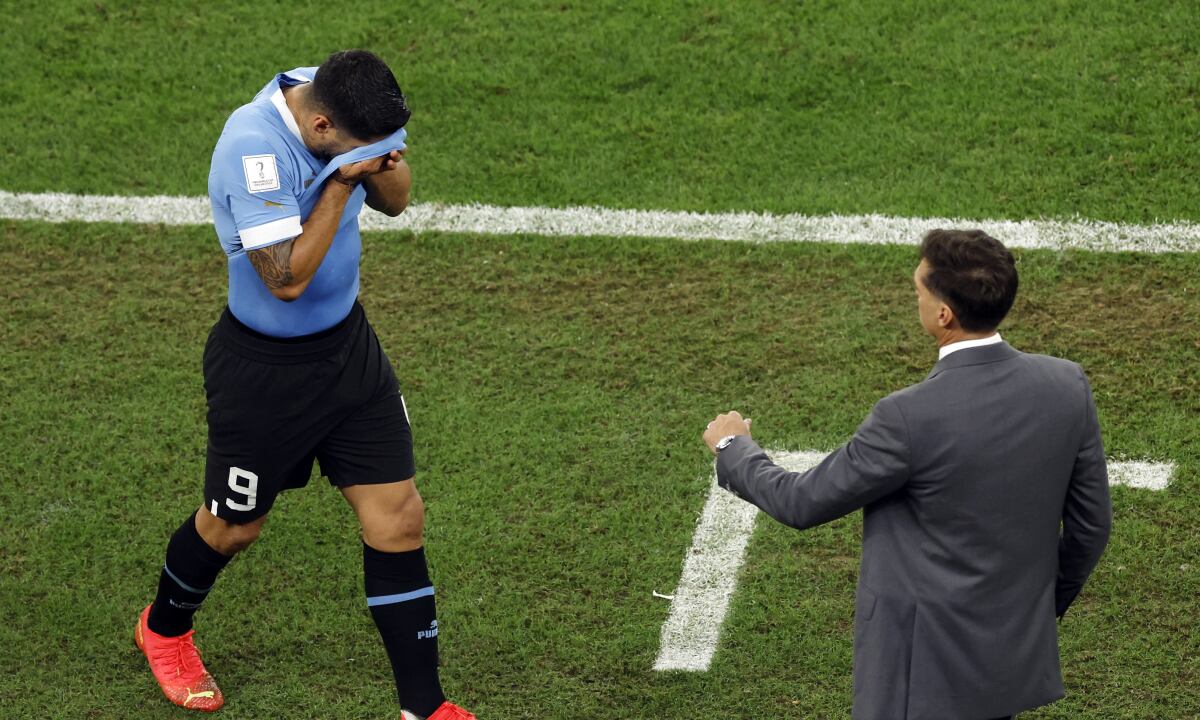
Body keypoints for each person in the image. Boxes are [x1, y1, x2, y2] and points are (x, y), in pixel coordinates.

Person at [134, 50, 475, 720]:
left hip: (349, 354)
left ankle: (424, 708)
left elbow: (399, 202)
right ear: (321, 130)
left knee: (399, 519)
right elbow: (285, 280)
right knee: (232, 529)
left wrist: (373, 166)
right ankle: (165, 629)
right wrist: (342, 184)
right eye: (366, 147)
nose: (385, 154)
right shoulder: (251, 150)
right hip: (263, 374)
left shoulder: (353, 97)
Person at [702, 229, 1112, 720]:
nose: (913, 297)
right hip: (1005, 664)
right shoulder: (1066, 385)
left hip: (917, 680)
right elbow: (1091, 529)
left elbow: (802, 501)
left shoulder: (908, 417)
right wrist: (1035, 611)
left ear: (944, 314)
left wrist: (733, 448)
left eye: (919, 290)